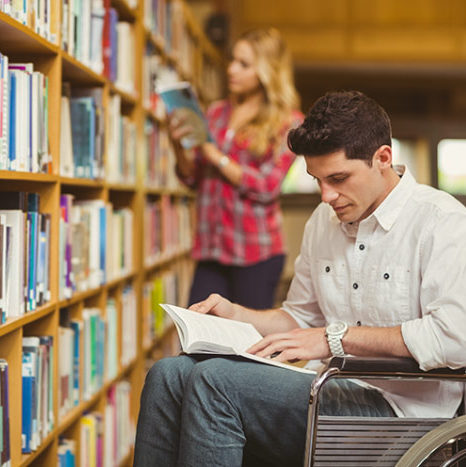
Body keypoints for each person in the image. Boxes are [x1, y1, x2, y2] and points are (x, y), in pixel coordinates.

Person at [133, 90, 466, 466]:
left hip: (402, 414)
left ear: (383, 158)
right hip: (329, 390)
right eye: (317, 180)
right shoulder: (322, 223)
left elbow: (455, 339)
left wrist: (333, 339)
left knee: (215, 382)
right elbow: (299, 318)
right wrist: (238, 315)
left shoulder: (442, 222)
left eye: (339, 178)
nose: (326, 196)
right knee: (168, 374)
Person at [169, 27, 303, 310]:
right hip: (210, 248)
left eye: (243, 64)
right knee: (196, 334)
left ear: (267, 71)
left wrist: (213, 154)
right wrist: (178, 146)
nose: (231, 69)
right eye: (232, 61)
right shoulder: (216, 112)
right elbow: (193, 178)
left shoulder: (288, 123)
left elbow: (267, 186)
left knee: (248, 345)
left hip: (256, 252)